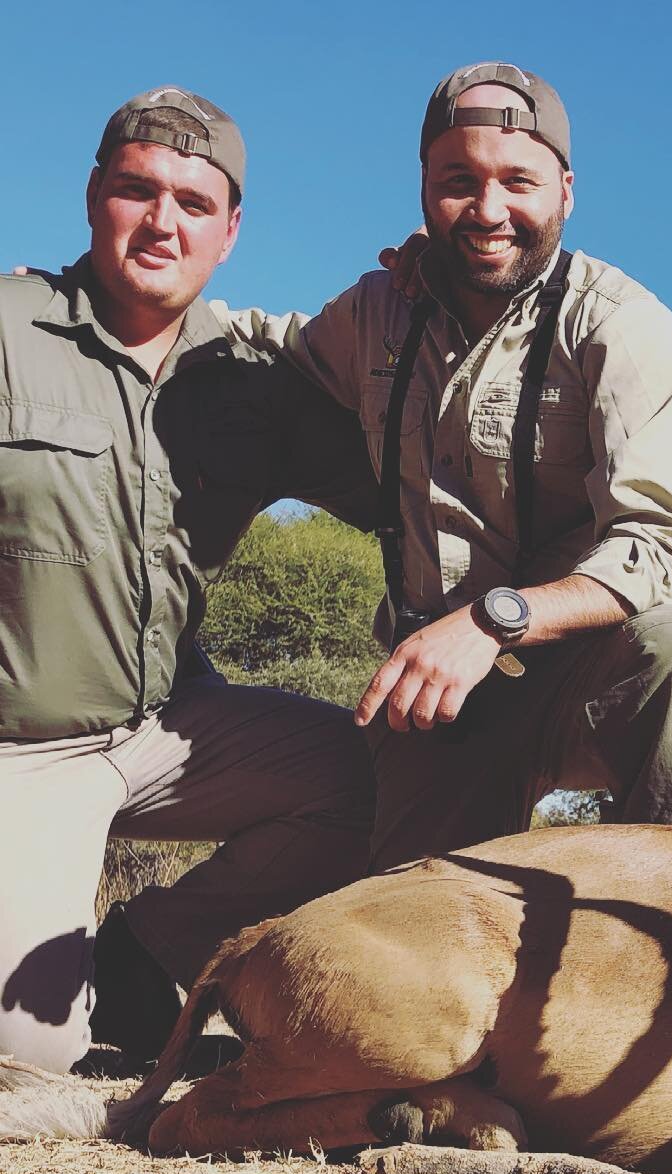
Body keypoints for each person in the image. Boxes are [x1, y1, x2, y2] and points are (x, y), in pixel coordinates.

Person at [216, 63, 672, 871]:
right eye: (459, 181)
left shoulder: (623, 326)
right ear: (425, 187)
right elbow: (261, 340)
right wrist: (83, 296)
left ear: (565, 190)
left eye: (518, 182)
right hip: (442, 698)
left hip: (578, 669)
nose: (490, 211)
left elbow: (668, 554)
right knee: (409, 945)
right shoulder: (376, 309)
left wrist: (488, 623)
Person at [0, 88, 380, 1070]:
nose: (162, 222)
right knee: (27, 1057)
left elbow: (409, 486)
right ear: (94, 195)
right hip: (24, 750)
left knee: (390, 781)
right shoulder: (6, 330)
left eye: (193, 202)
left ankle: (149, 949)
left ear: (230, 230)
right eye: (137, 190)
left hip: (174, 726)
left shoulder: (255, 381)